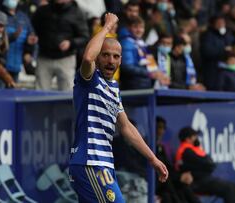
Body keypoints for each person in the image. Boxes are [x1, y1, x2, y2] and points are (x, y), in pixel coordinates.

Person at [68, 13, 168, 203]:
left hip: (103, 163)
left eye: (115, 57)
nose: (111, 61)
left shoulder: (113, 88)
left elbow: (126, 128)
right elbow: (88, 57)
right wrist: (107, 28)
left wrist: (152, 158)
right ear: (99, 57)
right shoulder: (89, 80)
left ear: (121, 60)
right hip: (91, 162)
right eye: (105, 55)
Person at [175, 126, 235, 203]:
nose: (196, 138)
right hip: (196, 182)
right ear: (187, 139)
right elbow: (207, 165)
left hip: (205, 179)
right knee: (229, 189)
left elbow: (209, 165)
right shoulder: (186, 151)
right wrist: (206, 164)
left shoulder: (193, 149)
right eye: (194, 136)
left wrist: (206, 164)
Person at [32, 0, 89, 91]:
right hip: (44, 57)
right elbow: (32, 28)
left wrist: (71, 43)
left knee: (67, 94)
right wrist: (33, 36)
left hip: (66, 59)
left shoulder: (77, 12)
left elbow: (84, 37)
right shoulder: (42, 10)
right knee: (39, 93)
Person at [156, 116, 201, 203]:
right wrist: (180, 177)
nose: (161, 131)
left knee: (184, 189)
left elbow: (169, 167)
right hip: (160, 184)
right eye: (159, 127)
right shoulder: (185, 150)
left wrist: (181, 177)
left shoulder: (161, 147)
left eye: (163, 128)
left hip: (172, 180)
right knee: (170, 194)